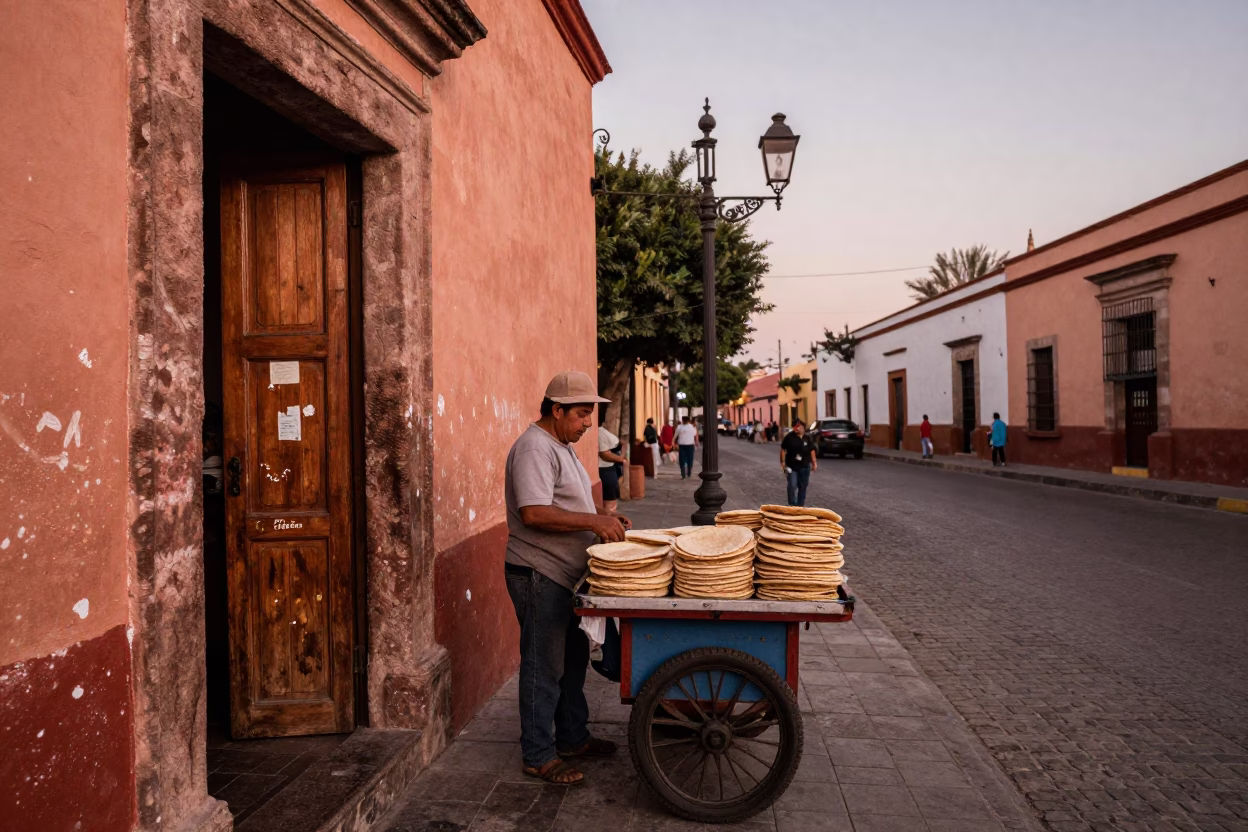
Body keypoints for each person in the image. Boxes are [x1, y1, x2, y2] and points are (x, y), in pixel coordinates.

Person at [504, 371, 631, 785]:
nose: (587, 423)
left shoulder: (561, 444)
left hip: (566, 576)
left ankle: (573, 736)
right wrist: (592, 521)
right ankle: (538, 753)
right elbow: (535, 512)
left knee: (574, 661)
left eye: (589, 414)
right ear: (556, 410)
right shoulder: (534, 449)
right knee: (544, 666)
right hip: (539, 572)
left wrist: (604, 519)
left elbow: (569, 501)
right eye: (580, 414)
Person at [780, 418, 817, 507]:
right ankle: (792, 504)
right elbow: (783, 449)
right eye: (794, 427)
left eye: (798, 426)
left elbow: (812, 450)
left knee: (803, 487)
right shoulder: (789, 437)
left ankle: (800, 506)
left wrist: (814, 463)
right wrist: (782, 462)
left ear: (803, 427)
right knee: (792, 485)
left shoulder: (808, 438)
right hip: (792, 466)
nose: (796, 429)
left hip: (804, 466)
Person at [597, 415, 626, 512]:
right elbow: (605, 454)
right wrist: (621, 458)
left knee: (609, 504)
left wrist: (620, 458)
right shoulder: (601, 433)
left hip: (607, 470)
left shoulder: (600, 433)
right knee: (609, 504)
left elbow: (605, 453)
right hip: (605, 470)